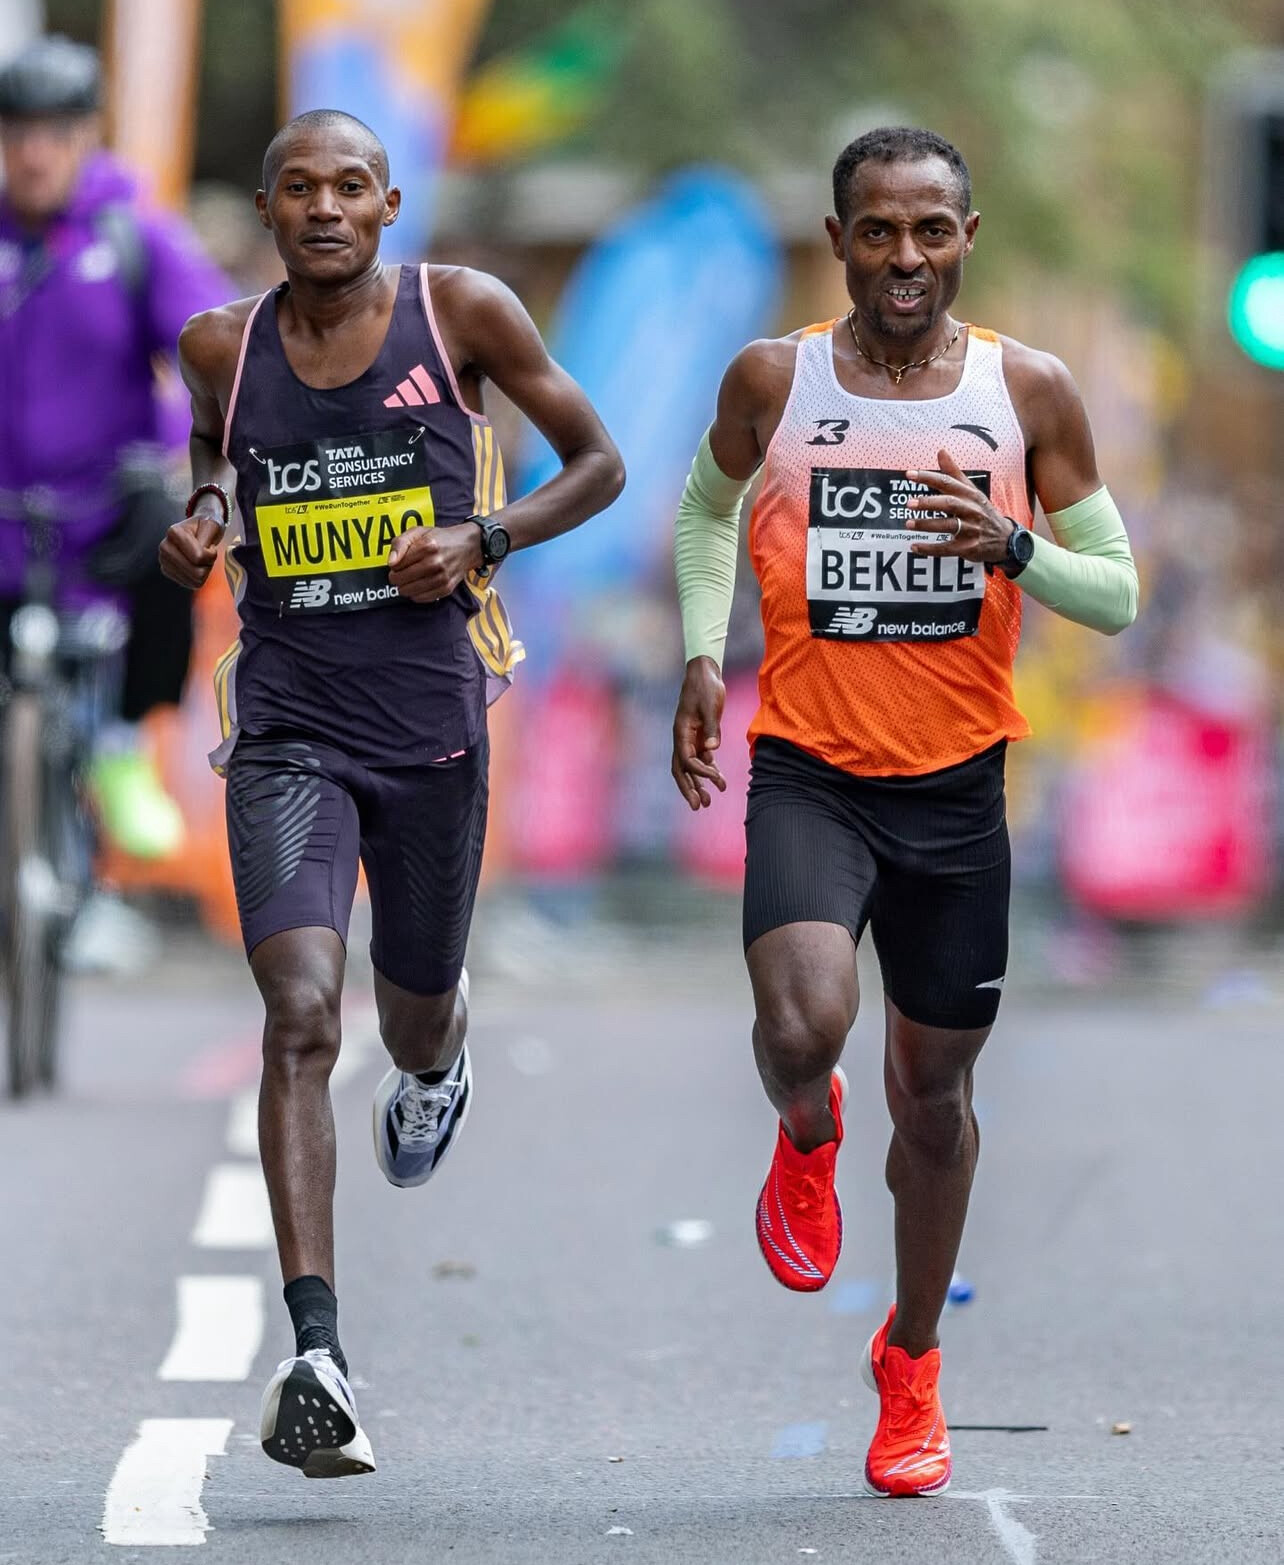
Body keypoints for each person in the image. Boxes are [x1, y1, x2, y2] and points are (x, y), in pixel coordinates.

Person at [670, 126, 1137, 1498]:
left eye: (932, 228)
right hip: (811, 771)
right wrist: (701, 652)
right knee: (802, 1023)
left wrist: (1013, 546)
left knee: (935, 1101)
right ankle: (807, 1134)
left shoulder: (1026, 391)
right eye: (878, 229)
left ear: (967, 238)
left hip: (956, 792)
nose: (906, 255)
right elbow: (705, 514)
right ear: (839, 242)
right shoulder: (775, 379)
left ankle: (912, 1357)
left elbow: (1118, 590)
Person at [160, 109, 624, 1478]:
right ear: (266, 209)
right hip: (289, 727)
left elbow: (597, 464)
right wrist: (207, 515)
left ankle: (436, 1061)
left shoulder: (462, 313)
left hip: (428, 733)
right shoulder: (218, 345)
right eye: (300, 188)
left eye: (350, 187)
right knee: (301, 1010)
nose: (325, 208)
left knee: (411, 1009)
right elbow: (212, 454)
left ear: (388, 205)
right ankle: (318, 1351)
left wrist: (485, 536)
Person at [0, 35, 230, 883]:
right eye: (17, 132)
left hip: (103, 516)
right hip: (3, 521)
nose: (34, 152)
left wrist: (182, 462)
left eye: (54, 133)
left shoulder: (137, 239)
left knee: (175, 543)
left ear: (87, 135)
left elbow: (216, 351)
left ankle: (125, 748)